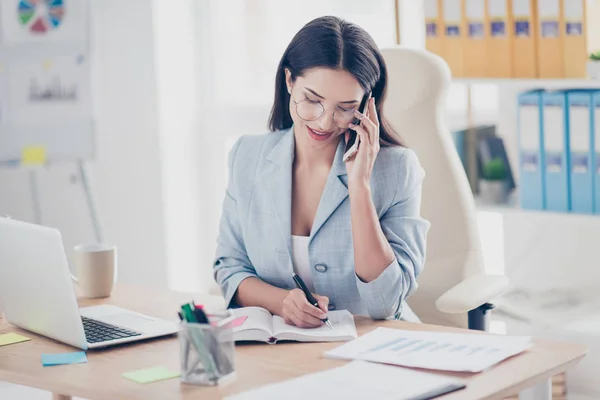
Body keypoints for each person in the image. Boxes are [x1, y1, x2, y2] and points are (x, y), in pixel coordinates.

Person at [213, 16, 430, 328]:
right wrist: (282, 302)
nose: (325, 123)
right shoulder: (247, 155)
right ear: (289, 81)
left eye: (345, 108)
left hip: (374, 347)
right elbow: (230, 267)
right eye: (312, 101)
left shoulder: (397, 169)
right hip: (283, 346)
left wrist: (360, 189)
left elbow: (385, 304)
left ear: (367, 105)